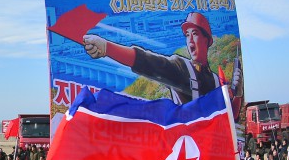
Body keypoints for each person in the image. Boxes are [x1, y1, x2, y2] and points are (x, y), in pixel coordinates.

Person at [83, 11, 221, 105]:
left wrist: (238, 94)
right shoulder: (182, 68)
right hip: (186, 143)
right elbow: (147, 61)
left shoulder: (216, 81)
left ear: (207, 40)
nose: (190, 39)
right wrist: (107, 47)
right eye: (187, 35)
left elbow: (230, 114)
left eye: (195, 33)